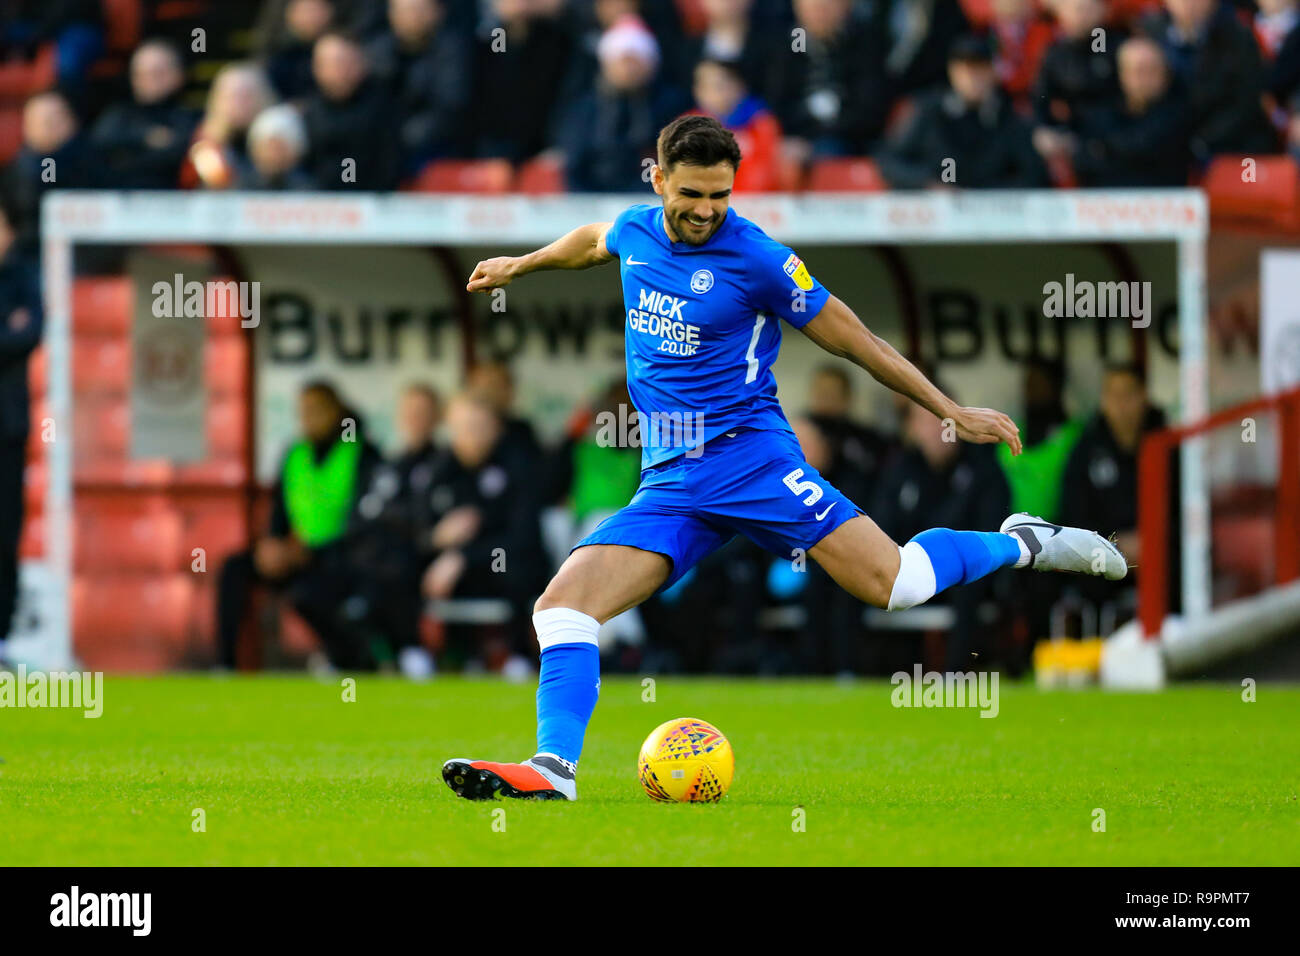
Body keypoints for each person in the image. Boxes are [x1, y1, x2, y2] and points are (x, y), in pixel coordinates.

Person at [441, 114, 1127, 801]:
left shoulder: (760, 258)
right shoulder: (634, 230)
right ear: (657, 181)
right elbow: (591, 241)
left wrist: (948, 410)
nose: (707, 211)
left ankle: (1020, 543)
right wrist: (521, 264)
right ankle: (554, 770)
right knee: (562, 607)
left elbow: (857, 340)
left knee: (896, 585)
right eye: (692, 195)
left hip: (752, 462)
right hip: (672, 480)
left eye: (720, 195)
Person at [215, 381, 382, 671]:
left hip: (343, 558)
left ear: (337, 411)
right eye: (303, 411)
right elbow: (279, 512)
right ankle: (226, 666)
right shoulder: (294, 454)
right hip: (296, 555)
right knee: (234, 568)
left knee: (309, 593)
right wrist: (273, 545)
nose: (309, 418)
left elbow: (367, 520)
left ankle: (347, 658)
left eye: (317, 410)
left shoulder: (363, 453)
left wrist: (312, 551)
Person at [876, 33, 1050, 189]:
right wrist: (929, 183)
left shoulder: (1008, 117)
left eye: (980, 69)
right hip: (935, 216)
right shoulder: (927, 112)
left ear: (992, 73)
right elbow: (889, 161)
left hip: (991, 218)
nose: (973, 78)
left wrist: (988, 193)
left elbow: (1032, 174)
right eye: (966, 69)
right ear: (953, 72)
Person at [0, 197, 41, 667]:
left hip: (9, 429)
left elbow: (31, 333)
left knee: (6, 535)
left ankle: (3, 640)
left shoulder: (24, 278)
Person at [89, 39, 199, 189]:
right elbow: (98, 149)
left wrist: (129, 153)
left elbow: (189, 153)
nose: (147, 80)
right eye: (140, 74)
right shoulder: (118, 114)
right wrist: (148, 138)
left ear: (179, 75)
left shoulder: (191, 117)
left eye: (157, 73)